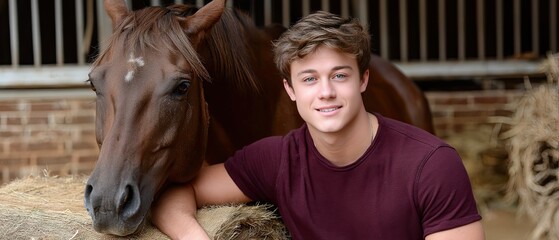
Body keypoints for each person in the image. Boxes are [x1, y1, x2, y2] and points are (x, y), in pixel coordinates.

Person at [152, 11, 485, 240]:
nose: (326, 92)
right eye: (309, 79)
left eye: (339, 75)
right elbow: (178, 190)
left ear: (363, 80)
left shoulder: (432, 164)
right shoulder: (276, 159)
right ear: (291, 91)